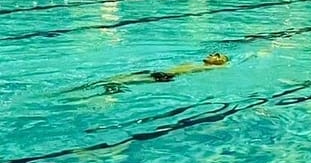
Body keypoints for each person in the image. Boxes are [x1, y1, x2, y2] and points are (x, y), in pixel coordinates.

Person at [68, 54, 230, 96]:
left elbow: (226, 67)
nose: (211, 54)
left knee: (120, 82)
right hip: (156, 73)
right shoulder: (197, 63)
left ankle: (109, 94)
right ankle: (83, 89)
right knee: (111, 79)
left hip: (162, 77)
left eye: (217, 55)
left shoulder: (212, 68)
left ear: (220, 61)